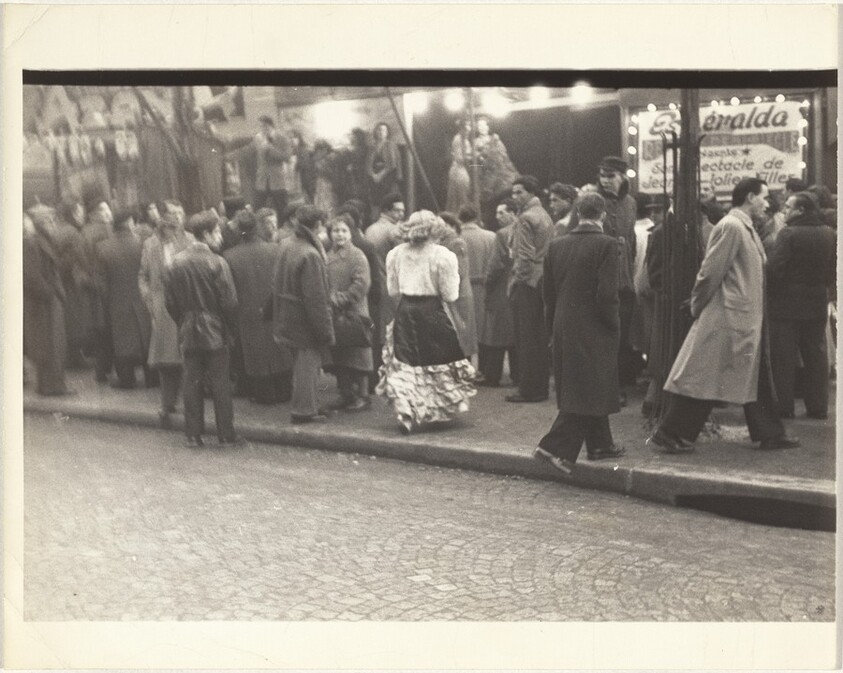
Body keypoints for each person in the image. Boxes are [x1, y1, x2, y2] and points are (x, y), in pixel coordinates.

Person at [649, 178, 801, 453]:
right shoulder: (731, 227)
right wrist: (696, 305)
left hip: (741, 318)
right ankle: (670, 432)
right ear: (750, 197)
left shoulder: (743, 228)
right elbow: (710, 272)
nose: (767, 203)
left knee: (747, 377)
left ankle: (770, 433)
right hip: (729, 318)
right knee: (708, 377)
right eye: (764, 197)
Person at [535, 193, 626, 474]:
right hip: (594, 324)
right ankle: (553, 447)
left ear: (577, 212)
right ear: (602, 215)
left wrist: (553, 326)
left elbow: (547, 294)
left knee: (587, 383)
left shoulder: (556, 246)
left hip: (564, 322)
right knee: (590, 387)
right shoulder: (608, 245)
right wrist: (612, 323)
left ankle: (601, 444)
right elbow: (607, 294)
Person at [377, 210, 476, 434]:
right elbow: (450, 294)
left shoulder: (395, 254)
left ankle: (406, 411)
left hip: (406, 310)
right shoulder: (443, 255)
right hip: (431, 311)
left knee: (405, 361)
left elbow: (393, 290)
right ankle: (433, 409)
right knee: (436, 361)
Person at [165, 210, 240, 447]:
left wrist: (184, 321)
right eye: (216, 231)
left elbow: (170, 302)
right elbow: (229, 302)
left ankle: (193, 434)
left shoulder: (176, 262)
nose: (219, 236)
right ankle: (225, 434)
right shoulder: (217, 262)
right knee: (220, 383)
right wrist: (229, 329)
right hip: (215, 328)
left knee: (191, 382)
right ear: (206, 234)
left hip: (188, 328)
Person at [767, 191, 836, 419]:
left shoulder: (788, 234)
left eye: (788, 207)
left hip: (786, 304)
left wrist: (773, 292)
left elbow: (775, 268)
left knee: (784, 357)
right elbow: (833, 270)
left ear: (800, 211)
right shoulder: (829, 233)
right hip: (817, 300)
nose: (785, 211)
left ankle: (784, 407)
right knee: (816, 355)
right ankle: (818, 407)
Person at [272, 205, 335, 423]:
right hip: (303, 321)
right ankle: (304, 411)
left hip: (287, 315)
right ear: (317, 225)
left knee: (301, 365)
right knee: (308, 366)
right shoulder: (310, 254)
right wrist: (325, 330)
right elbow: (316, 299)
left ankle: (310, 405)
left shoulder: (286, 244)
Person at [223, 210, 293, 405]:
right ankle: (284, 390)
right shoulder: (275, 249)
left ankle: (264, 394)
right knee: (278, 350)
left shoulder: (229, 256)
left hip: (246, 314)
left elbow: (229, 293)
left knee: (255, 354)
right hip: (274, 309)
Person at [139, 210, 193, 428]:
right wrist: (149, 299)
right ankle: (167, 403)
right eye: (166, 230)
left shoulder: (189, 241)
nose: (170, 234)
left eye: (174, 229)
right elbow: (142, 275)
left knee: (186, 356)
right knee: (165, 360)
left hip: (183, 305)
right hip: (162, 308)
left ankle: (189, 402)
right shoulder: (150, 245)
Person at [94, 209, 152, 389]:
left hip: (116, 302)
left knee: (122, 341)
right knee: (146, 337)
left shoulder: (103, 247)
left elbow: (100, 283)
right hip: (143, 299)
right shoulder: (143, 243)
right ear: (129, 223)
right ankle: (152, 377)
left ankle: (126, 379)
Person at [506, 175, 552, 403]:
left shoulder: (525, 218)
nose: (515, 197)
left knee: (526, 338)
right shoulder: (543, 215)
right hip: (543, 279)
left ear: (531, 193)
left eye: (519, 192)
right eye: (513, 193)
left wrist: (516, 281)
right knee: (538, 337)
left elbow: (524, 257)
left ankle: (528, 389)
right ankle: (539, 387)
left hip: (528, 281)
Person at [324, 214, 374, 411]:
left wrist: (340, 299)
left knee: (358, 353)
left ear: (351, 233)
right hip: (335, 313)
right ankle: (346, 394)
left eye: (344, 230)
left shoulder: (357, 256)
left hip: (354, 312)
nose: (339, 235)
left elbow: (361, 285)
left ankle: (363, 395)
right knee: (340, 353)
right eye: (336, 231)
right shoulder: (327, 255)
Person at [24, 206, 73, 396]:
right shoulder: (31, 243)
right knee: (48, 346)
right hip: (42, 303)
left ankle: (54, 385)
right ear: (41, 223)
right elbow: (32, 276)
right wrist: (50, 294)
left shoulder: (43, 241)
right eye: (50, 221)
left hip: (48, 300)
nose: (53, 224)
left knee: (54, 345)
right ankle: (50, 386)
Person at [336, 202, 383, 393]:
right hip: (366, 302)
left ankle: (350, 386)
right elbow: (375, 279)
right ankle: (369, 383)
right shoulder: (366, 245)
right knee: (365, 343)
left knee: (348, 344)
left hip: (344, 302)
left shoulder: (336, 247)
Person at [478, 199, 519, 387]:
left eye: (502, 213)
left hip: (501, 287)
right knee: (514, 333)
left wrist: (488, 284)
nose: (497, 217)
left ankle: (492, 374)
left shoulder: (502, 235)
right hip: (518, 287)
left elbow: (495, 265)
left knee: (496, 334)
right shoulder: (523, 230)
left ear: (512, 213)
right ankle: (518, 374)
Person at [457, 204, 496, 377]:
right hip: (484, 286)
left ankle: (463, 367)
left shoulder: (456, 238)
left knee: (463, 327)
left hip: (462, 287)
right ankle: (485, 368)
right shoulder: (491, 237)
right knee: (484, 327)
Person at [54, 201, 93, 369]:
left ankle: (73, 356)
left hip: (62, 282)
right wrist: (89, 272)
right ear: (73, 213)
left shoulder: (59, 230)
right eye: (79, 210)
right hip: (73, 283)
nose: (82, 214)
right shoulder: (72, 233)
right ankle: (74, 358)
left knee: (68, 319)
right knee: (76, 320)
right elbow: (82, 257)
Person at [83, 197, 115, 383]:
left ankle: (101, 370)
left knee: (100, 330)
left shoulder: (85, 231)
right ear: (95, 214)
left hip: (93, 287)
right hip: (104, 286)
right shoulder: (103, 231)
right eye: (104, 210)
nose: (108, 213)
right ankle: (103, 370)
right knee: (106, 329)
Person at [437, 211, 478, 359]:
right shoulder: (443, 242)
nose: (440, 228)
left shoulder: (456, 243)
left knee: (461, 332)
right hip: (451, 294)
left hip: (458, 295)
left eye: (443, 225)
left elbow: (460, 270)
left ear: (452, 226)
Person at [474, 116, 519, 228]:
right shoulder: (475, 142)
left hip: (500, 177)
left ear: (488, 127)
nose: (482, 128)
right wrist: (480, 159)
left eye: (484, 125)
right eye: (479, 126)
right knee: (489, 206)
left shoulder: (495, 140)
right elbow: (474, 164)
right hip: (485, 178)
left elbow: (503, 158)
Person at [253, 115, 291, 215]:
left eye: (263, 126)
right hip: (262, 180)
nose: (262, 129)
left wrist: (270, 148)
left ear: (269, 126)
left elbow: (287, 157)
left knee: (282, 209)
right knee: (258, 208)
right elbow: (258, 157)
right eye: (260, 127)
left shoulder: (282, 138)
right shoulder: (257, 138)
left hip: (277, 180)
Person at [367, 122, 403, 222]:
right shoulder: (372, 147)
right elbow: (368, 165)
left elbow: (392, 165)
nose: (381, 132)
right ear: (376, 132)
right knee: (375, 202)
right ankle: (376, 221)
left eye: (383, 130)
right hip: (375, 180)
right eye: (379, 130)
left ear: (387, 132)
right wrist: (373, 175)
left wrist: (380, 175)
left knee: (389, 200)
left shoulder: (390, 145)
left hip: (388, 178)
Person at [445, 119, 473, 213]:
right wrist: (474, 158)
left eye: (469, 126)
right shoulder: (458, 139)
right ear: (461, 129)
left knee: (465, 193)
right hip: (458, 169)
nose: (468, 129)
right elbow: (459, 158)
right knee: (461, 195)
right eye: (466, 127)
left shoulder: (466, 141)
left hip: (463, 168)